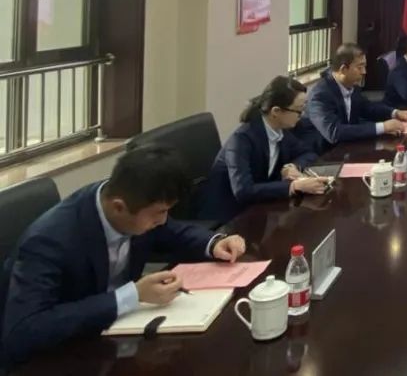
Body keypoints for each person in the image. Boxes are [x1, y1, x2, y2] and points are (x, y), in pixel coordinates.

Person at [2, 147, 247, 366]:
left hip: (120, 338)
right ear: (119, 207)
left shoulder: (132, 201)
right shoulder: (49, 240)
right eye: (159, 212)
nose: (163, 220)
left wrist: (214, 243)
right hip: (63, 356)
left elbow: (172, 231)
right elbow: (24, 330)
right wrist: (132, 295)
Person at [198, 76, 331, 223]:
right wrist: (293, 186)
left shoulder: (280, 131)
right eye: (298, 110)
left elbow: (308, 153)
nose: (302, 115)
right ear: (276, 111)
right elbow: (243, 191)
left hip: (258, 209)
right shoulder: (241, 140)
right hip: (227, 217)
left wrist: (291, 166)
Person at [301, 43, 407, 149]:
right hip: (323, 156)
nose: (364, 72)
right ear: (343, 69)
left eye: (364, 66)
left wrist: (395, 113)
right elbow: (334, 132)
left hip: (347, 148)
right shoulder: (320, 95)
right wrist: (383, 127)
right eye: (360, 67)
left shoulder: (352, 86)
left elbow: (368, 108)